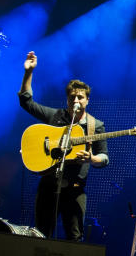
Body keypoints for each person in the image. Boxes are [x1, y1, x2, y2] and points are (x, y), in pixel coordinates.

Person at [18, 51, 108, 241]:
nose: (76, 101)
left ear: (87, 100)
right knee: (41, 236)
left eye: (80, 97)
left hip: (75, 189)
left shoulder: (96, 126)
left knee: (74, 238)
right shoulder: (56, 116)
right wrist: (29, 72)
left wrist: (91, 158)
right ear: (67, 100)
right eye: (72, 97)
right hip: (49, 186)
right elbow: (27, 103)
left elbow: (104, 157)